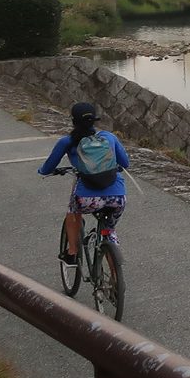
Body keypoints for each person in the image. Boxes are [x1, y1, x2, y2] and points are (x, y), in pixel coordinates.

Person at [36, 102, 131, 264]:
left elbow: (48, 167)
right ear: (94, 120)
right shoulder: (109, 137)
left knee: (72, 213)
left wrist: (43, 171)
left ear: (73, 121)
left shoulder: (67, 142)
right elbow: (125, 163)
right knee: (108, 230)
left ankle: (72, 253)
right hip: (117, 198)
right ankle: (114, 277)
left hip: (86, 199)